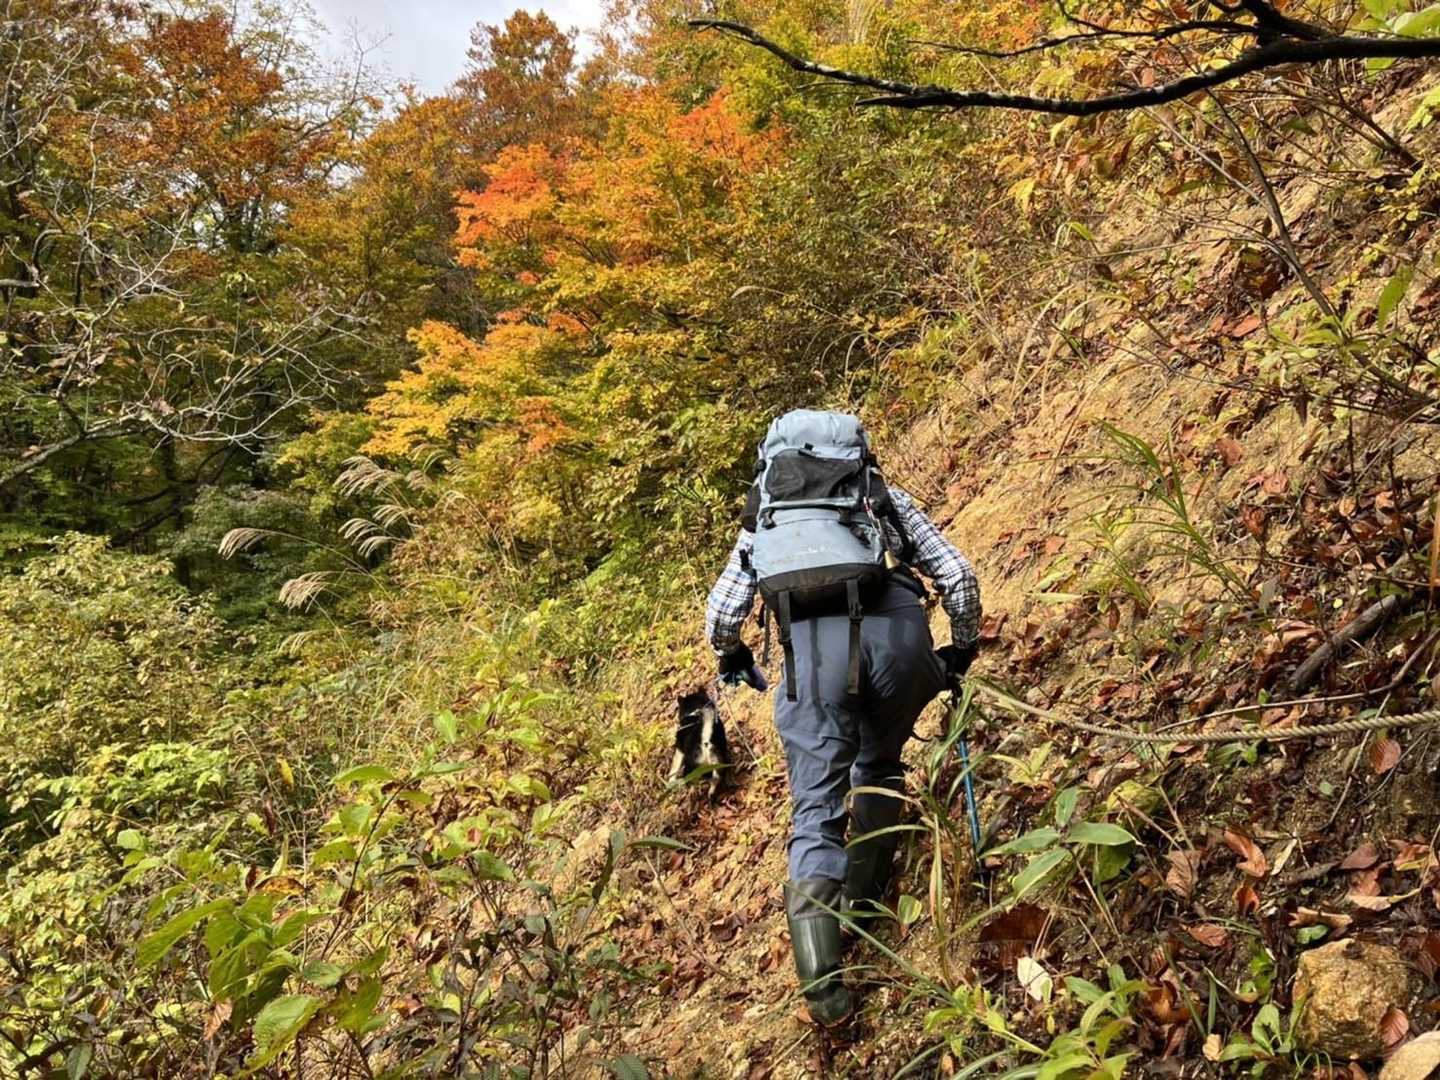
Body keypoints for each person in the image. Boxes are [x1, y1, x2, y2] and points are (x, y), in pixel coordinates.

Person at [704, 409, 980, 1025]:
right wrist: (959, 650)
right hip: (900, 649)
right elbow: (957, 576)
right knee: (879, 762)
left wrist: (734, 656)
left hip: (812, 666)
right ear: (856, 455)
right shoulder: (878, 498)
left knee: (815, 811)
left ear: (773, 462)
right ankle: (863, 905)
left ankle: (826, 996)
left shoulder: (767, 517)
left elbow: (722, 613)